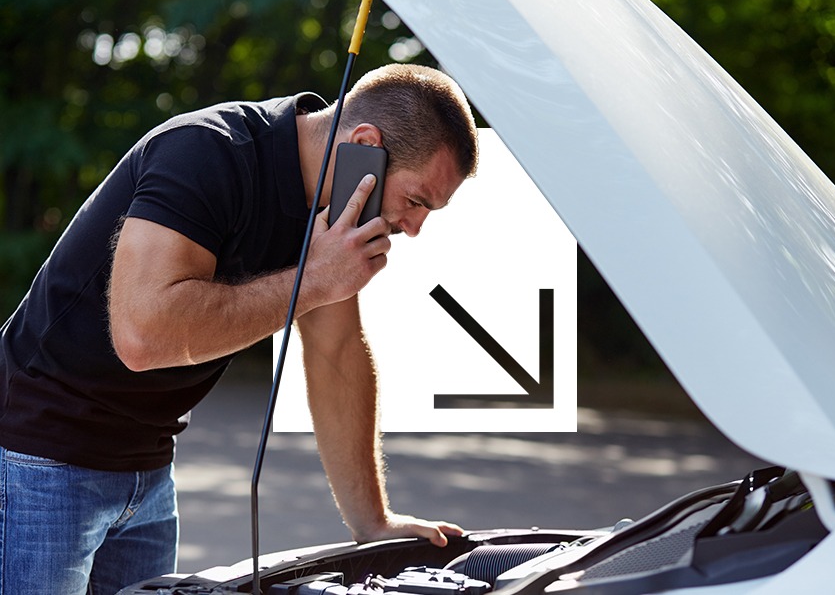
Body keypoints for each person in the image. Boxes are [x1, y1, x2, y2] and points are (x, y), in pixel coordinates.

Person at [0, 63, 479, 595]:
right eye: (416, 201)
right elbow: (143, 337)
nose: (414, 228)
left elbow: (335, 348)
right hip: (39, 456)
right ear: (365, 144)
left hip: (149, 467)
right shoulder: (205, 152)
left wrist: (372, 522)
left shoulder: (332, 207)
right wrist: (311, 281)